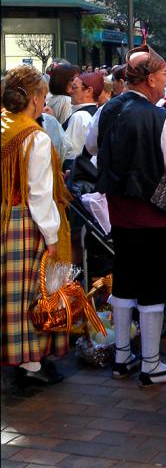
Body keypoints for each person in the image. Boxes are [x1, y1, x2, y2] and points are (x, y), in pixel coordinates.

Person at [95, 46, 166, 385]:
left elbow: (92, 147)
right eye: (163, 76)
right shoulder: (159, 118)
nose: (165, 82)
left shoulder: (106, 110)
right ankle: (151, 364)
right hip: (154, 213)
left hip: (119, 211)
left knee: (124, 279)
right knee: (151, 286)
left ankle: (121, 356)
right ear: (150, 79)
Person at [2, 66, 72, 387]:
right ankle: (30, 363)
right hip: (24, 222)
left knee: (7, 294)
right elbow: (40, 194)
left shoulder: (3, 126)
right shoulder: (35, 138)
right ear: (32, 98)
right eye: (43, 95)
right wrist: (51, 235)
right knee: (30, 293)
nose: (45, 101)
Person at [64, 72, 102, 161]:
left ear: (89, 91)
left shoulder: (79, 117)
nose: (70, 91)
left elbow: (71, 154)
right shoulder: (96, 112)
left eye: (74, 88)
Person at [46, 63, 78, 128]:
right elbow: (64, 130)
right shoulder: (66, 101)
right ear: (63, 81)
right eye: (73, 79)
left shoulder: (50, 96)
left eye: (77, 79)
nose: (76, 82)